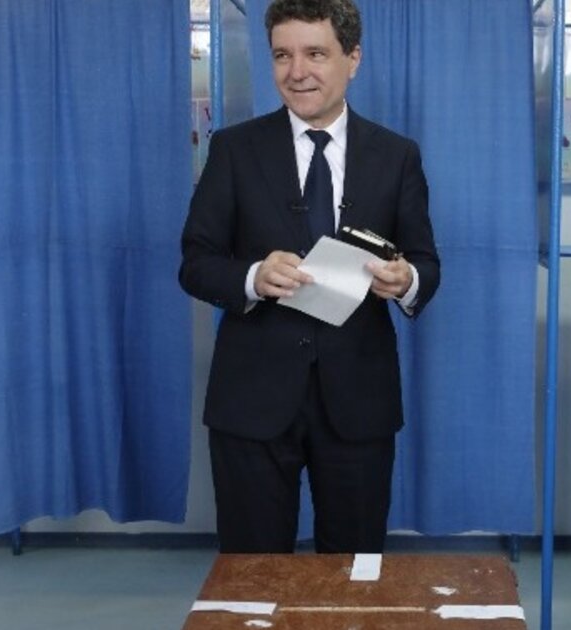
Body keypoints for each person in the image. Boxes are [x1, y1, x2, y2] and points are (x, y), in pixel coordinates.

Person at [179, 0, 440, 554]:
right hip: (252, 399)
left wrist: (406, 281)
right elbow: (196, 263)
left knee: (352, 573)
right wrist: (253, 277)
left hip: (359, 401)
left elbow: (426, 263)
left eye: (315, 54)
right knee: (251, 574)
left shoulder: (397, 156)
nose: (296, 72)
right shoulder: (233, 149)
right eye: (282, 55)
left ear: (353, 59)